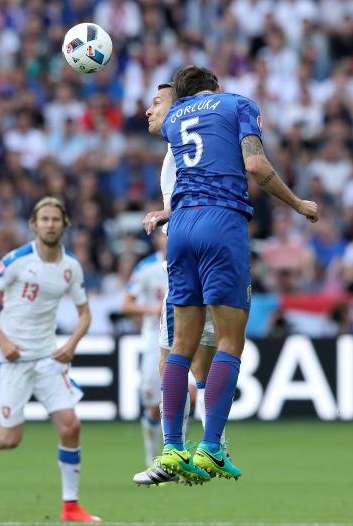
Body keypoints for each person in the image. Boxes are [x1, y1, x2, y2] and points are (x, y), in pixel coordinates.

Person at [158, 66, 318, 483]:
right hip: (221, 221)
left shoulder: (174, 119)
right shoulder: (237, 104)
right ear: (216, 86)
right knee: (230, 341)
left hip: (180, 227)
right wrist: (298, 204)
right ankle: (212, 448)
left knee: (181, 345)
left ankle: (172, 448)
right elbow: (256, 166)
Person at [0, 197, 101, 524]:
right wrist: (3, 341)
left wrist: (71, 344)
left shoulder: (71, 267)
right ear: (34, 225)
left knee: (71, 426)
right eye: (44, 219)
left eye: (55, 219)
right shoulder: (17, 260)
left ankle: (70, 506)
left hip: (48, 358)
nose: (50, 224)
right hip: (12, 359)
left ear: (64, 225)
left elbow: (85, 314)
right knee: (9, 438)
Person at [132, 82, 227, 487]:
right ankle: (210, 449)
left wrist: (168, 213)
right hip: (205, 254)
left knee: (171, 359)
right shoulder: (188, 147)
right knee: (200, 365)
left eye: (157, 103)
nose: (149, 110)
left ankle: (178, 453)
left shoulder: (185, 145)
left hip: (189, 260)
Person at [120, 232, 166, 468]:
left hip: (187, 336)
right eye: (165, 234)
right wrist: (154, 309)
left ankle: (178, 455)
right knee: (153, 406)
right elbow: (126, 304)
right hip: (154, 338)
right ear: (157, 239)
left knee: (188, 395)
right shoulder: (147, 267)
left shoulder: (192, 262)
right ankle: (152, 457)